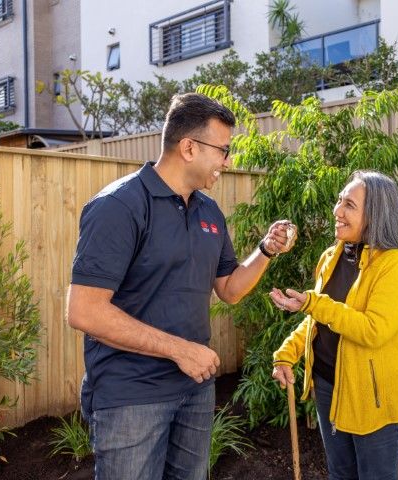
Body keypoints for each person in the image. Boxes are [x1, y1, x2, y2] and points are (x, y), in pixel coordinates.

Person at [66, 93, 295, 480]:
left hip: (194, 390)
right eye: (222, 150)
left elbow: (230, 289)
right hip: (130, 398)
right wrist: (179, 350)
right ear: (189, 147)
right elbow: (84, 311)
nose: (228, 160)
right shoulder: (119, 207)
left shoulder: (209, 212)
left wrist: (266, 251)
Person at [270, 170, 398, 480]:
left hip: (372, 399)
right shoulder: (330, 257)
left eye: (349, 205)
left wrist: (313, 302)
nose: (337, 211)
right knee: (340, 474)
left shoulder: (395, 264)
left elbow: (373, 329)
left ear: (375, 214)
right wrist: (287, 352)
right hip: (328, 387)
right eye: (339, 201)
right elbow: (320, 321)